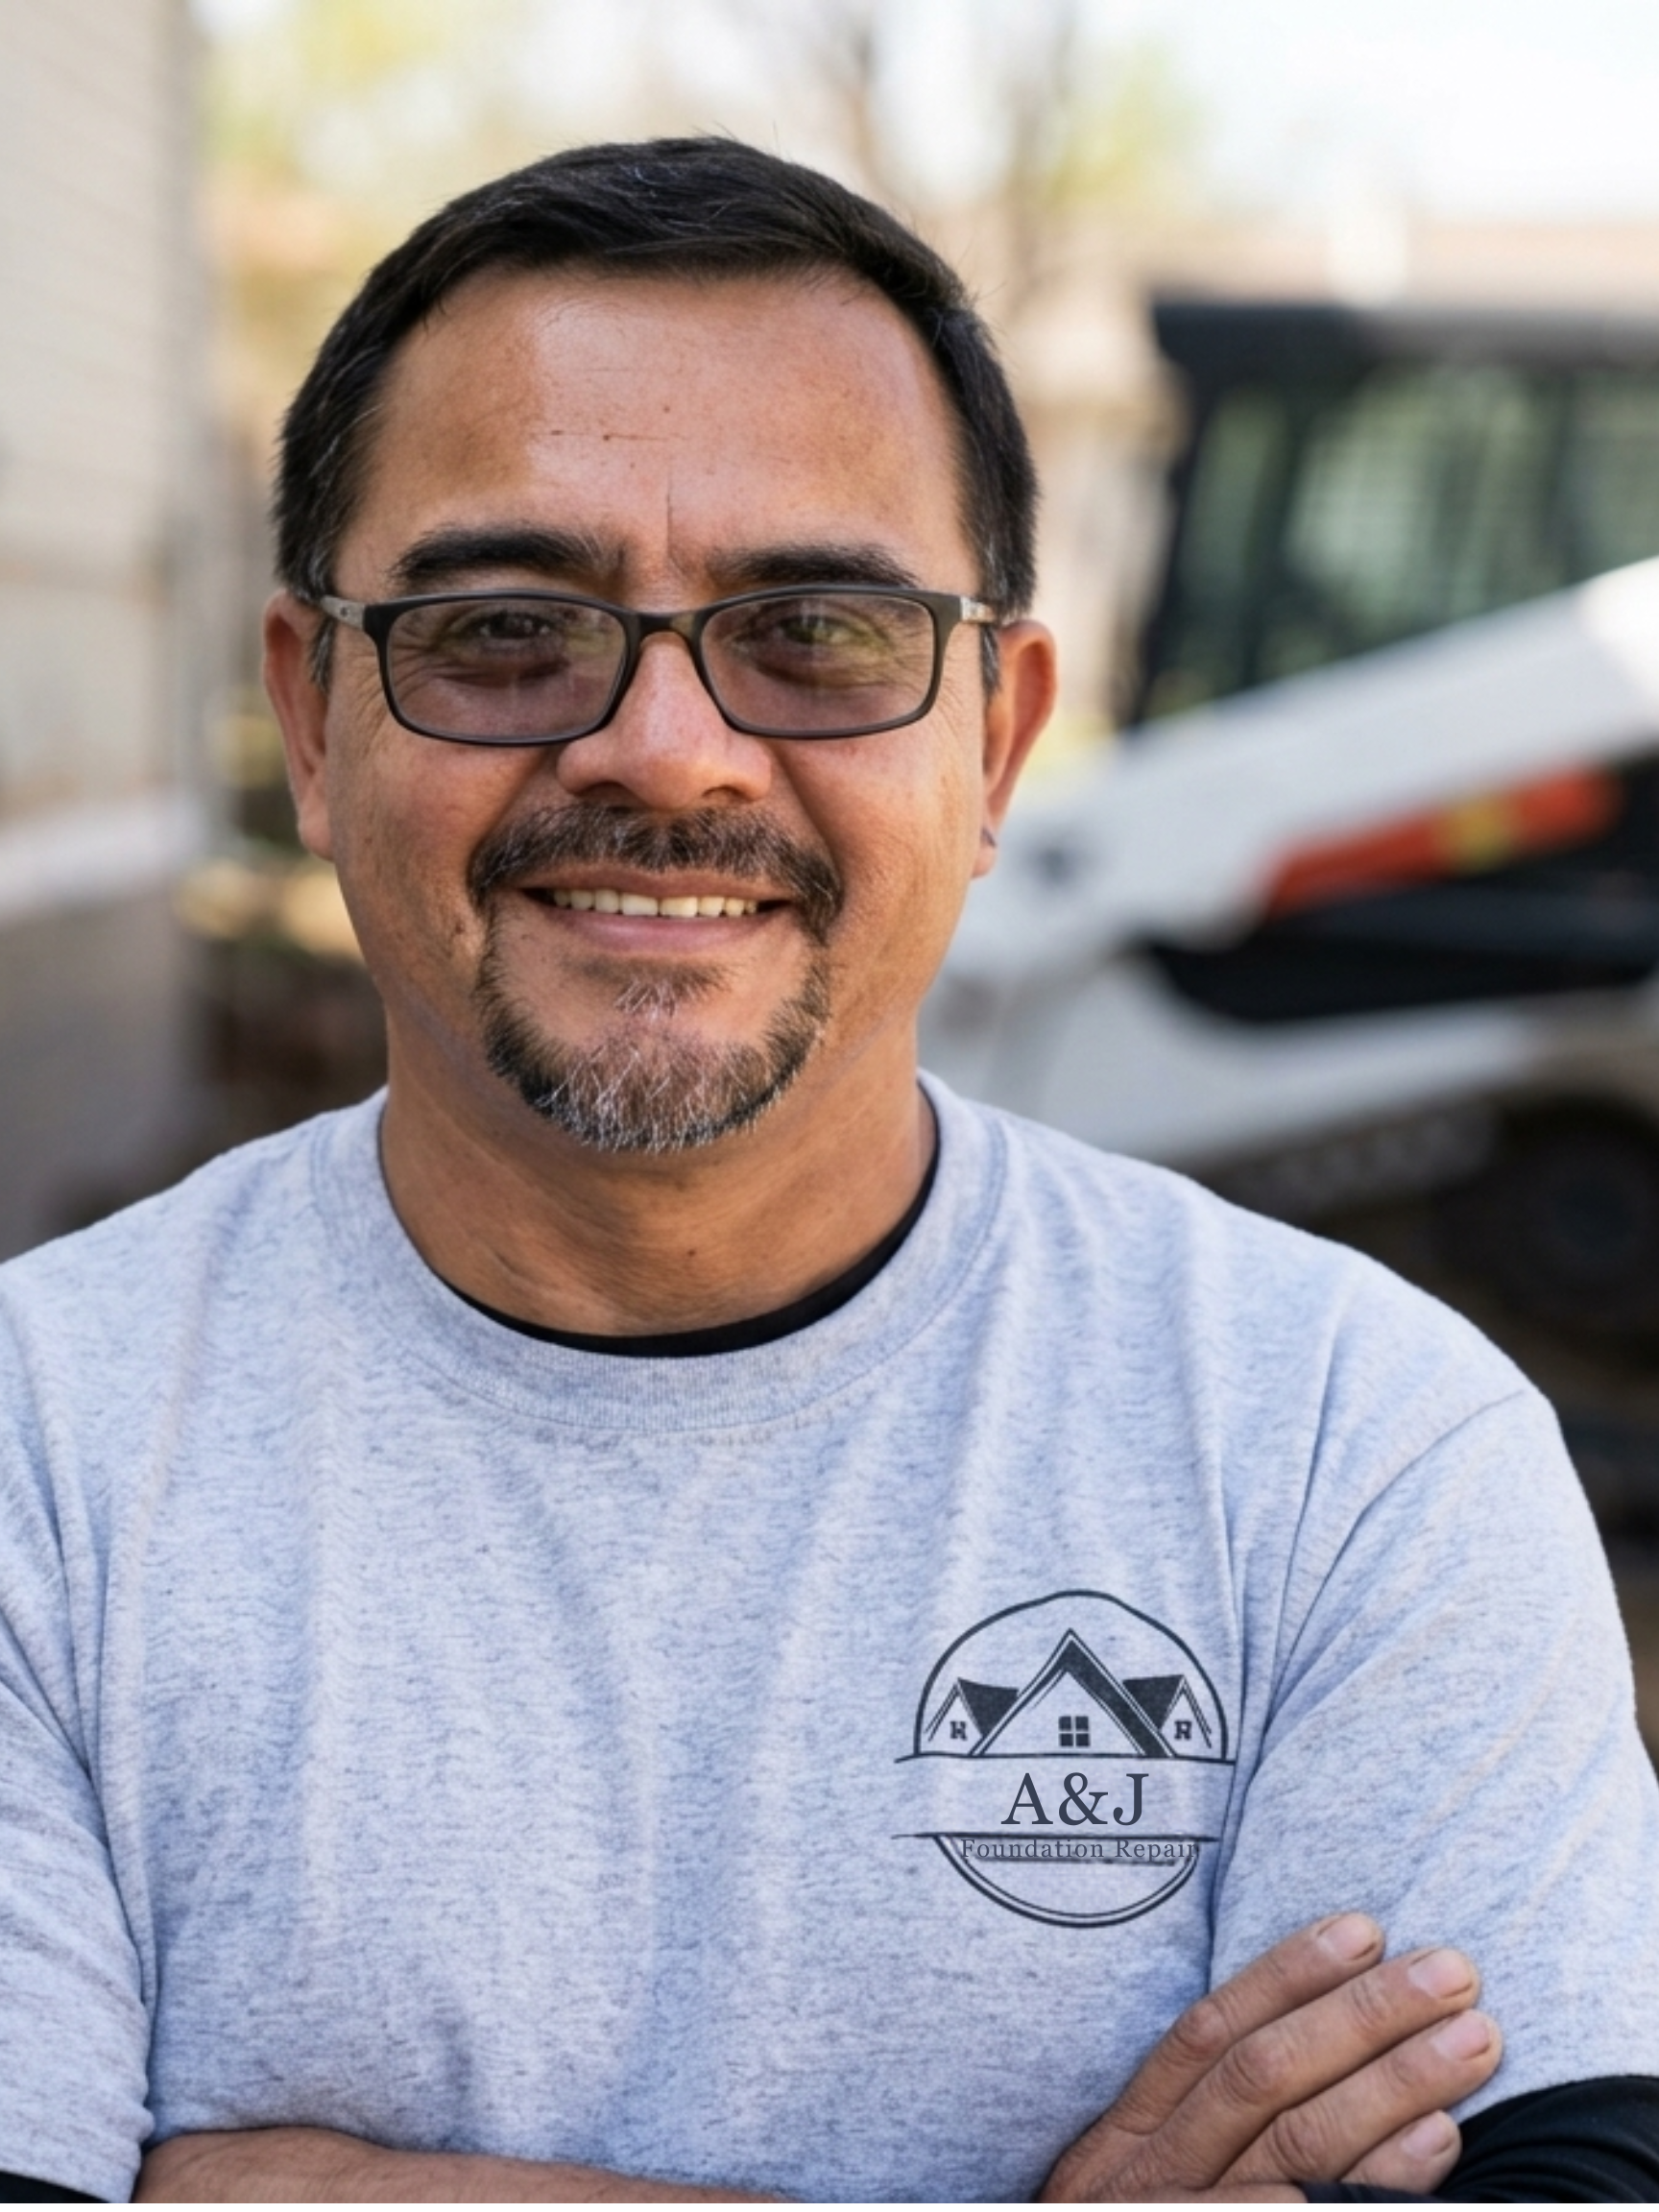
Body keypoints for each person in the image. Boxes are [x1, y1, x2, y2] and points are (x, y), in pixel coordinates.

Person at [1, 137, 1657, 2207]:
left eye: (817, 631)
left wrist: (301, 2191)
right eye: (505, 629)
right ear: (314, 724)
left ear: (998, 740)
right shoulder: (41, 1452)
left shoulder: (1350, 1447)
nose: (666, 750)